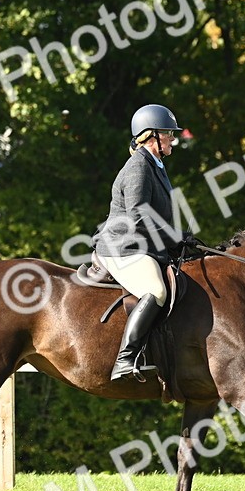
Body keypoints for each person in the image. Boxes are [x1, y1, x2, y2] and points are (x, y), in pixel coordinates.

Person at [92, 104, 195, 381]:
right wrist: (172, 238)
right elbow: (138, 216)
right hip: (123, 247)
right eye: (168, 134)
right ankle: (125, 359)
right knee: (156, 290)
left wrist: (180, 239)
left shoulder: (156, 165)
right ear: (152, 136)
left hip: (143, 245)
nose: (173, 139)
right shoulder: (139, 166)